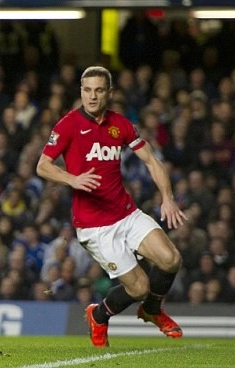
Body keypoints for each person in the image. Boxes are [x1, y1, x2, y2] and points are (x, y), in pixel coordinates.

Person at [36, 66, 186, 347]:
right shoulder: (67, 125)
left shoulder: (121, 124)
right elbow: (42, 166)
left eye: (98, 90)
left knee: (170, 258)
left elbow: (151, 161)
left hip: (126, 213)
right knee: (139, 287)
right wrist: (73, 179)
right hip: (95, 227)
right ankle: (100, 315)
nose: (92, 97)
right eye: (87, 90)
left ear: (109, 93)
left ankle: (152, 310)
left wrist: (167, 197)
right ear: (81, 91)